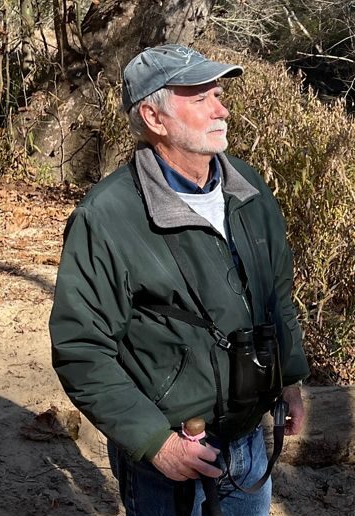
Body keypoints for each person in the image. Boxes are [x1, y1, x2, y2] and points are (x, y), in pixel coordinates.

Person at [49, 44, 309, 515]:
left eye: (219, 93)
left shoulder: (248, 189)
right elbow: (81, 349)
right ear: (154, 116)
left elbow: (277, 292)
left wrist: (288, 376)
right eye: (200, 98)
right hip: (170, 449)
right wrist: (156, 443)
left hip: (249, 434)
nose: (221, 109)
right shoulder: (107, 218)